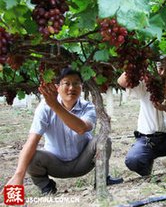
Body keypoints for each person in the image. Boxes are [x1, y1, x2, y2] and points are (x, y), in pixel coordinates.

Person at [5, 67, 122, 195]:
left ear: (82, 87)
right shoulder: (44, 108)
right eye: (66, 83)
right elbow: (32, 141)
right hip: (56, 164)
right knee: (31, 156)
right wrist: (18, 175)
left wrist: (55, 105)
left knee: (103, 141)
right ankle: (46, 187)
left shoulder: (87, 107)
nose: (71, 88)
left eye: (76, 83)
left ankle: (101, 180)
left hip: (83, 162)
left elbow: (81, 128)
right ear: (57, 87)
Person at [117, 57, 166, 176]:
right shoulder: (147, 86)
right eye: (160, 68)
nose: (163, 73)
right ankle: (146, 172)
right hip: (147, 140)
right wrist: (137, 63)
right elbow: (122, 82)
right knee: (133, 160)